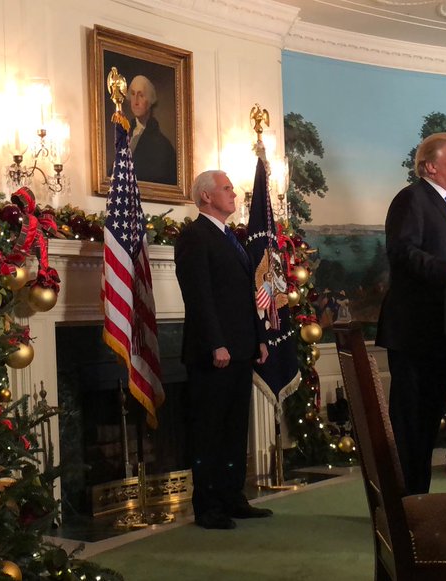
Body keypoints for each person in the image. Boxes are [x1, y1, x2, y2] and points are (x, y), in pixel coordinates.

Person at [376, 132, 446, 495]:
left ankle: (417, 499)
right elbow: (403, 252)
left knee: (426, 424)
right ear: (430, 166)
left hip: (440, 333)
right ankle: (404, 503)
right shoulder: (412, 199)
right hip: (414, 331)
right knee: (411, 424)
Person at [174, 170, 271, 529]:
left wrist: (259, 338)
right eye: (227, 189)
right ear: (206, 197)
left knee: (234, 429)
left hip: (242, 348)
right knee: (209, 430)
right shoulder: (194, 236)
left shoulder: (231, 238)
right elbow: (198, 296)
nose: (234, 194)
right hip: (212, 352)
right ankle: (208, 506)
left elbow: (247, 294)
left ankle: (233, 497)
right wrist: (217, 342)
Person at [127, 75, 177, 184]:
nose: (135, 101)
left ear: (150, 101)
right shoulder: (125, 134)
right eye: (133, 94)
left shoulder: (162, 145)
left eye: (141, 95)